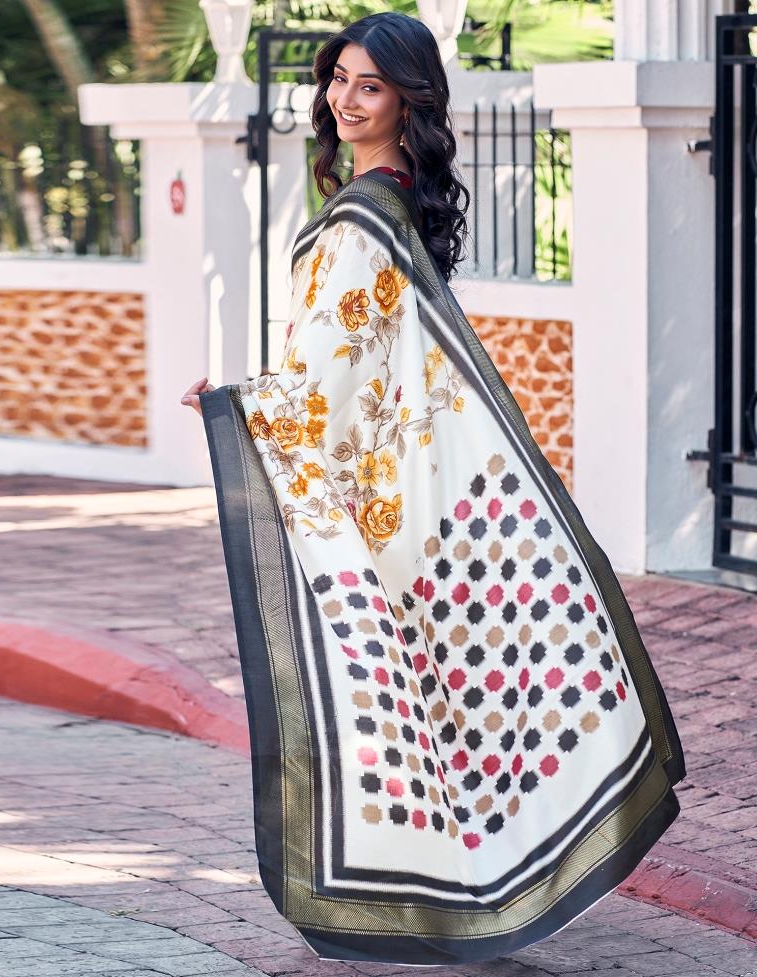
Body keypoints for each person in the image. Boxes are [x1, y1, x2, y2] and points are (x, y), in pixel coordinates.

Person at [180, 11, 686, 967]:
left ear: (408, 102)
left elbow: (324, 374)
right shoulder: (392, 196)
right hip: (408, 476)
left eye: (369, 86)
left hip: (388, 490)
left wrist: (237, 404)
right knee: (439, 683)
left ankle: (444, 884)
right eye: (340, 78)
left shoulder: (368, 215)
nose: (344, 97)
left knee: (392, 678)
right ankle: (475, 870)